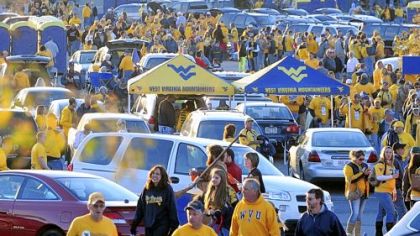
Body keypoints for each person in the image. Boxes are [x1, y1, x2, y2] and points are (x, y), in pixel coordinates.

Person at [130, 165, 179, 236]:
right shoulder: (147, 188)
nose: (154, 175)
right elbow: (140, 207)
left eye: (157, 174)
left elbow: (172, 208)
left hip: (162, 225)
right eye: (153, 173)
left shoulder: (167, 189)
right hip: (149, 225)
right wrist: (134, 224)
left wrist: (173, 227)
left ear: (162, 176)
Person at [202, 168, 238, 235]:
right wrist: (209, 211)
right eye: (213, 177)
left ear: (222, 179)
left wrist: (221, 211)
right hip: (213, 223)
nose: (213, 180)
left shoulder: (229, 190)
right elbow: (207, 207)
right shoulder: (210, 190)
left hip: (226, 225)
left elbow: (236, 208)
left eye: (216, 178)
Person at [343, 150, 370, 236]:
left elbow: (367, 178)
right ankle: (348, 233)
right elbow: (351, 179)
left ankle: (357, 234)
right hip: (354, 193)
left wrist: (369, 174)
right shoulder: (348, 167)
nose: (362, 161)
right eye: (360, 159)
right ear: (353, 158)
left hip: (364, 192)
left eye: (363, 159)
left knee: (359, 215)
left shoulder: (365, 165)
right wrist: (362, 173)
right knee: (355, 213)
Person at [374, 146, 400, 235]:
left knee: (380, 213)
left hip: (388, 192)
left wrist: (394, 191)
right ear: (383, 154)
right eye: (387, 152)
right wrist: (392, 176)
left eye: (390, 152)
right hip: (381, 191)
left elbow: (393, 180)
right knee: (392, 212)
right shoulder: (380, 164)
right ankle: (390, 233)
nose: (388, 154)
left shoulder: (391, 165)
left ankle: (378, 233)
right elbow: (378, 177)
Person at [392, 143, 408, 220]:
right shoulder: (395, 160)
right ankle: (400, 230)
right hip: (395, 188)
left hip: (396, 188)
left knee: (393, 211)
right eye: (402, 149)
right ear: (397, 150)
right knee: (402, 211)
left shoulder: (399, 159)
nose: (404, 150)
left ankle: (392, 229)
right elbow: (395, 176)